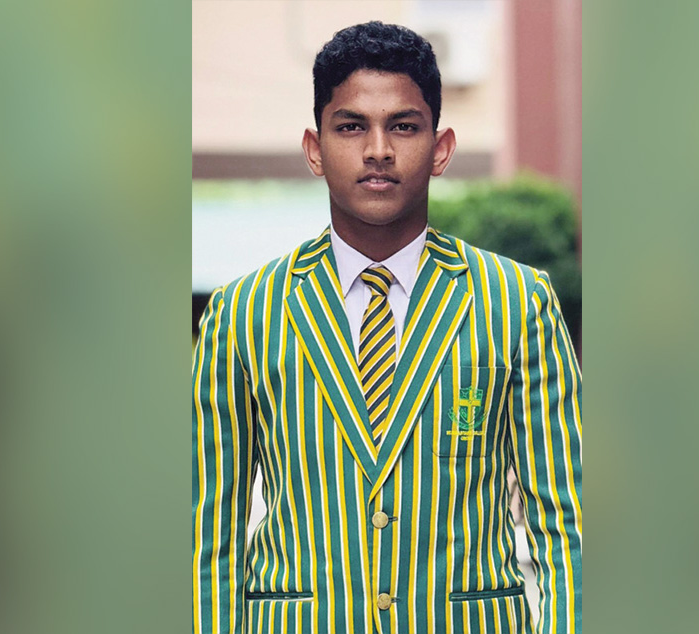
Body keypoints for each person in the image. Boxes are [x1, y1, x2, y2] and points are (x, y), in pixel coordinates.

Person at [193, 21, 581, 634]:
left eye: (403, 126)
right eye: (351, 127)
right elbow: (205, 537)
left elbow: (568, 525)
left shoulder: (515, 302)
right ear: (315, 148)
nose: (378, 149)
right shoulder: (243, 313)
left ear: (442, 147)